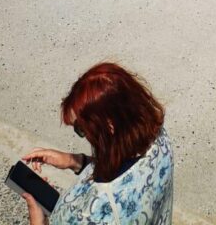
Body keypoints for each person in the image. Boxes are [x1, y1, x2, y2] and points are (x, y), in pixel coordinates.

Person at [22, 62, 173, 225]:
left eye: (81, 129)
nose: (83, 135)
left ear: (109, 127)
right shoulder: (158, 138)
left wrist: (38, 222)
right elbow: (124, 169)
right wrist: (75, 162)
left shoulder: (99, 214)